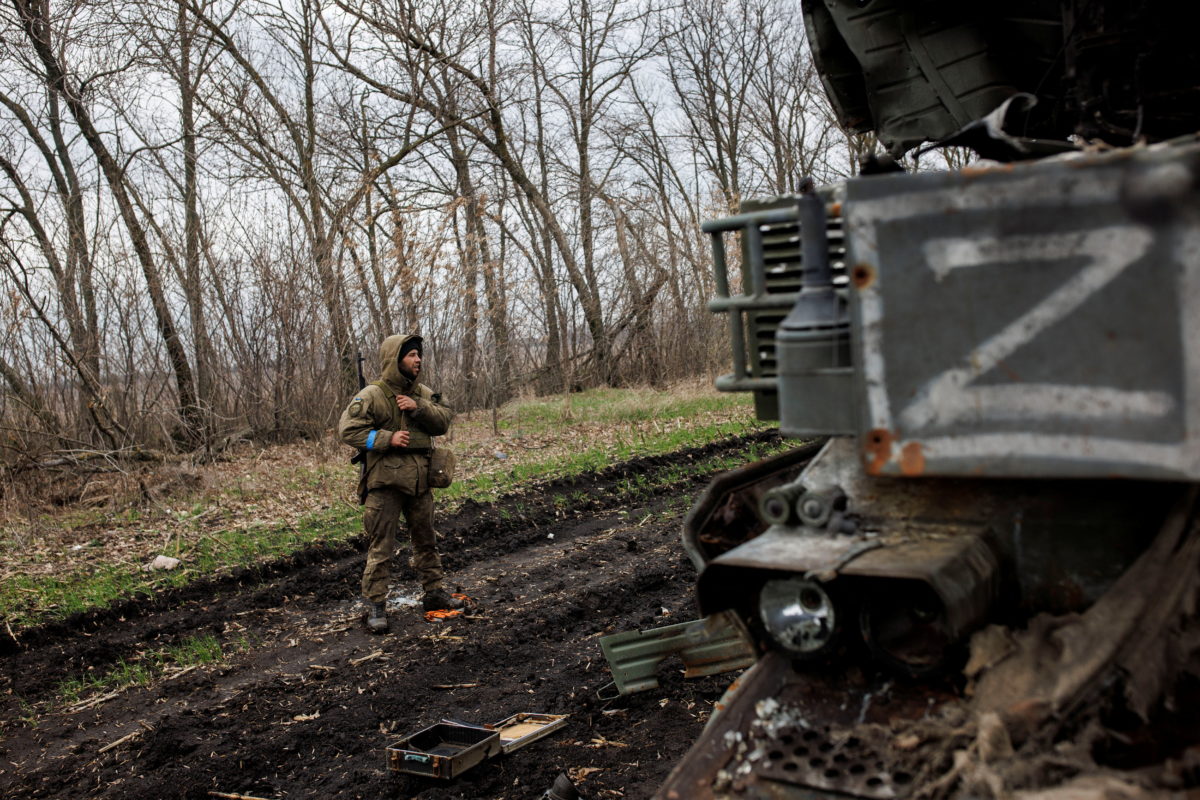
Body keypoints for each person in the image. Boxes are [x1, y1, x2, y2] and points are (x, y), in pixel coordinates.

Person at [337, 333, 462, 633]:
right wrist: (385, 438)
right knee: (381, 547)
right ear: (395, 360)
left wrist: (418, 407)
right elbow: (347, 431)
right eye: (411, 355)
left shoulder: (423, 393)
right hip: (386, 485)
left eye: (419, 354)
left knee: (426, 542)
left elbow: (444, 420)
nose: (418, 360)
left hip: (420, 483)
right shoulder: (371, 396)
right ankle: (376, 606)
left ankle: (434, 594)